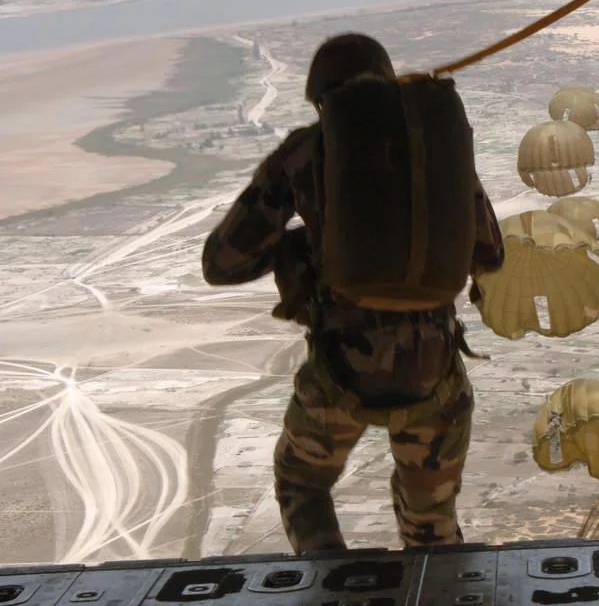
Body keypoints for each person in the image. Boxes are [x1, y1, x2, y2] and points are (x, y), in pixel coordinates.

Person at [201, 33, 505, 553]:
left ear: (325, 100)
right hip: (434, 372)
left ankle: (331, 584)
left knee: (302, 483)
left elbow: (223, 265)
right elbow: (490, 254)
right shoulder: (437, 158)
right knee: (431, 519)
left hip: (341, 371)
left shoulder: (305, 152)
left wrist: (299, 246)